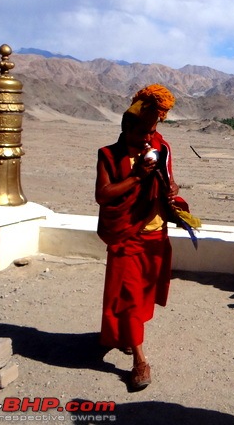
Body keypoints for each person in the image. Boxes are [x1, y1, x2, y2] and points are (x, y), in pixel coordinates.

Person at [95, 84, 180, 392]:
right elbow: (103, 195)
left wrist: (172, 191)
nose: (147, 138)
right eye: (142, 132)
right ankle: (140, 361)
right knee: (129, 296)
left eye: (151, 131)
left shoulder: (161, 148)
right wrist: (136, 177)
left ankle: (129, 336)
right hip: (126, 236)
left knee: (143, 295)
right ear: (126, 128)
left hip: (155, 234)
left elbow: (171, 181)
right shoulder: (108, 155)